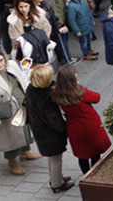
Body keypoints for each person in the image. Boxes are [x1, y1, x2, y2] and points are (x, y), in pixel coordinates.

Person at [51, 63, 110, 174]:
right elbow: (97, 98)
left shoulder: (57, 93)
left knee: (82, 155)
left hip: (74, 127)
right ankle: (94, 175)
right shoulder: (80, 92)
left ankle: (86, 175)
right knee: (95, 153)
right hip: (89, 125)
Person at [24, 64, 73, 192]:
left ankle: (56, 178)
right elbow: (54, 120)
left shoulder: (31, 89)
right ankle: (57, 183)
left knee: (52, 158)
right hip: (50, 135)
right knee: (56, 159)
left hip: (39, 131)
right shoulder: (46, 96)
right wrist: (65, 129)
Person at [0, 51, 42, 175]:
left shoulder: (11, 65)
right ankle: (12, 162)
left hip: (22, 106)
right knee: (11, 138)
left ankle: (25, 153)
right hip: (6, 112)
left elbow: (22, 79)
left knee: (25, 130)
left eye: (1, 60)